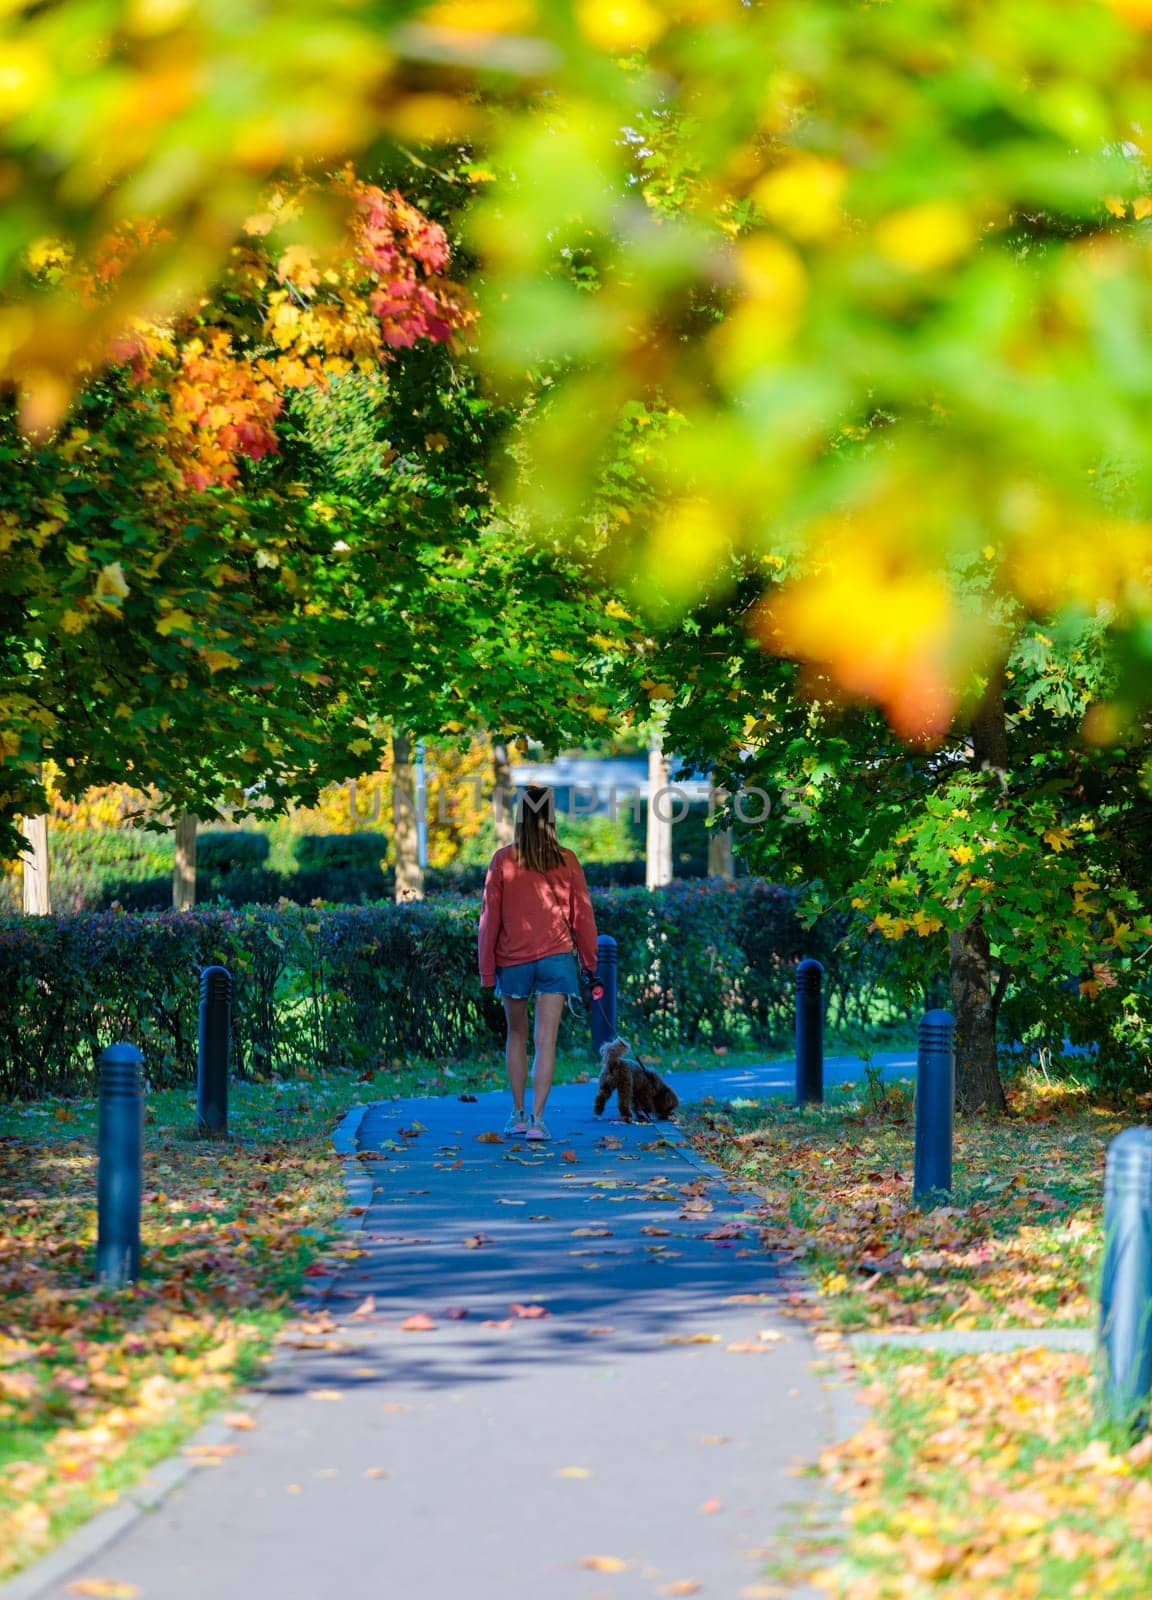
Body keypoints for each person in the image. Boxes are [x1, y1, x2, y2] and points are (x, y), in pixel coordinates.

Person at [477, 785, 599, 1141]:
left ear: (520, 816)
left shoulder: (502, 861)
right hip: (556, 959)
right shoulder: (567, 860)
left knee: (516, 1035)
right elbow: (583, 919)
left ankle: (516, 1115)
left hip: (512, 960)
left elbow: (490, 920)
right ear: (551, 817)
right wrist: (590, 965)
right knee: (545, 1041)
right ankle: (538, 1120)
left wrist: (487, 971)